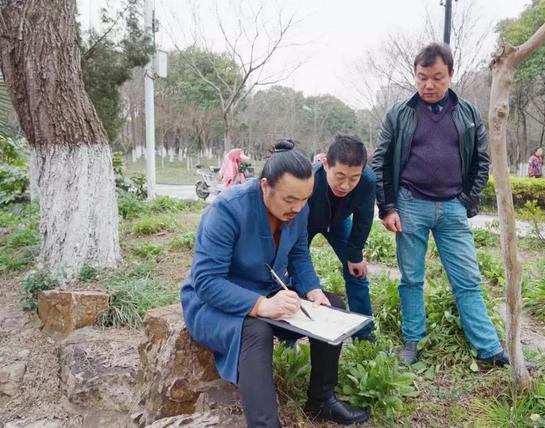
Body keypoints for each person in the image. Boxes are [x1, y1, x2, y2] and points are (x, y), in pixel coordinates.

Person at [180, 140, 368, 427]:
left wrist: (312, 289)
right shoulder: (227, 211)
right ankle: (265, 424)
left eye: (304, 199)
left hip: (268, 290)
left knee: (333, 307)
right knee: (257, 328)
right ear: (265, 185)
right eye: (289, 200)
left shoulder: (299, 209)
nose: (297, 208)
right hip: (213, 302)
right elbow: (207, 281)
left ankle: (321, 400)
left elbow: (298, 254)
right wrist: (261, 305)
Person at [371, 43, 506, 367]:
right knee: (411, 279)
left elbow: (482, 161)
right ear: (415, 76)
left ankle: (489, 349)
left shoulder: (469, 113)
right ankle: (412, 341)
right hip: (410, 205)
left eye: (437, 78)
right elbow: (380, 162)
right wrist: (388, 207)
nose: (428, 85)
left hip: (452, 208)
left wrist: (465, 201)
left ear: (450, 75)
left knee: (468, 280)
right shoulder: (399, 114)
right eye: (422, 77)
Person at [307, 134, 375, 340]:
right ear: (326, 164)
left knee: (356, 271)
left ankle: (363, 333)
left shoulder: (367, 182)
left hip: (338, 222)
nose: (345, 185)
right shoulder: (309, 178)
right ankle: (290, 336)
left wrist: (355, 254)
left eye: (354, 178)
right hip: (306, 222)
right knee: (293, 271)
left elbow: (364, 219)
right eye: (340, 176)